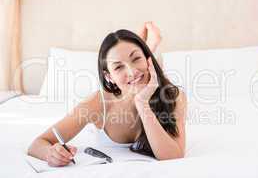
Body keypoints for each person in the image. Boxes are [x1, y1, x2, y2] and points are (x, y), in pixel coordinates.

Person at [27, 22, 187, 167]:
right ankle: (145, 50)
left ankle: (147, 49)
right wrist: (50, 154)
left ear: (148, 59)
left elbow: (173, 157)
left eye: (137, 58)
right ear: (109, 77)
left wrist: (142, 104)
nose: (131, 71)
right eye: (118, 67)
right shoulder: (97, 103)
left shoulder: (175, 97)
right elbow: (37, 144)